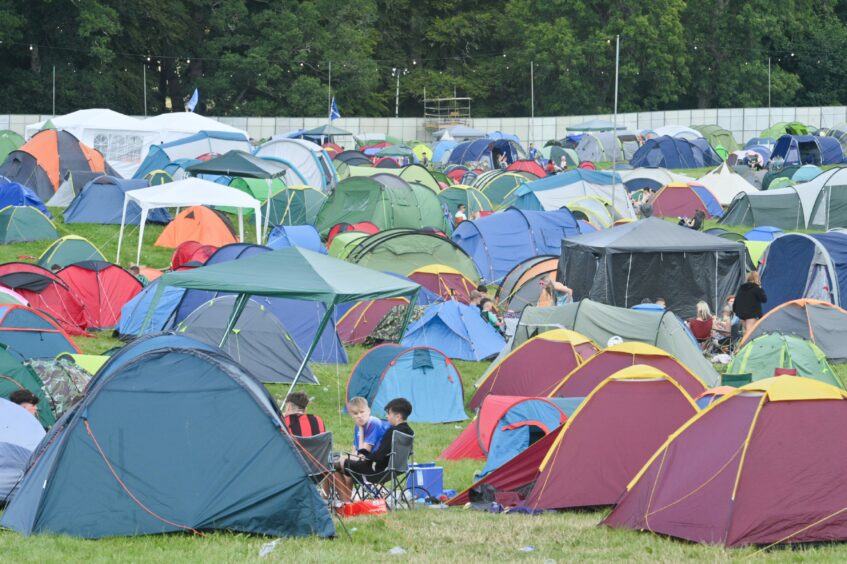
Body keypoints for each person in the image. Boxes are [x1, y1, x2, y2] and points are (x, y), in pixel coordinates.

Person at [345, 397, 414, 479]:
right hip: (399, 469)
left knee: (344, 464)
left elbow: (379, 456)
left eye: (388, 413)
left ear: (398, 417)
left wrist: (365, 455)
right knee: (345, 464)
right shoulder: (410, 432)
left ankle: (341, 491)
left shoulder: (392, 432)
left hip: (379, 471)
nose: (386, 416)